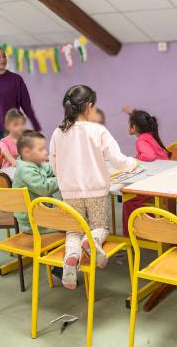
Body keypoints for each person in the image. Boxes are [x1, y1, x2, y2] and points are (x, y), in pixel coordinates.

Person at [49, 85, 137, 290]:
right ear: (89, 106)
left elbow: (54, 164)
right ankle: (92, 243)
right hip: (96, 190)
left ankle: (72, 256)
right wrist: (133, 163)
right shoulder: (98, 130)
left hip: (69, 192)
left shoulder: (58, 132)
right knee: (100, 227)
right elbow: (118, 160)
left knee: (73, 231)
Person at [12, 129, 64, 281]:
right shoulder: (26, 170)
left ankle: (59, 261)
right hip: (33, 221)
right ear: (27, 152)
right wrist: (63, 178)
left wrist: (61, 167)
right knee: (73, 226)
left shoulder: (36, 164)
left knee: (69, 220)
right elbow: (44, 187)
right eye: (41, 149)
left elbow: (50, 169)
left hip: (39, 216)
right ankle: (60, 267)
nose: (45, 152)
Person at [0, 45, 41, 145]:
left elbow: (26, 105)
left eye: (4, 56)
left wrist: (36, 126)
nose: (2, 59)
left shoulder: (16, 79)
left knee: (16, 159)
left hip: (13, 128)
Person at [121, 107, 169, 236]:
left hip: (155, 183)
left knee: (129, 200)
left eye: (129, 123)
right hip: (162, 179)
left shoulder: (141, 140)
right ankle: (147, 227)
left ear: (134, 127)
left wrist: (136, 158)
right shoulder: (149, 136)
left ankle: (134, 233)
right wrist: (131, 113)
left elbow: (149, 156)